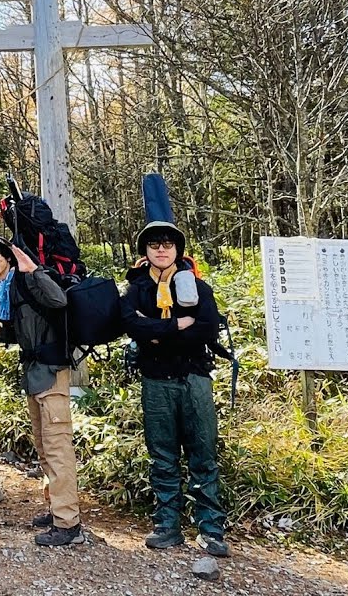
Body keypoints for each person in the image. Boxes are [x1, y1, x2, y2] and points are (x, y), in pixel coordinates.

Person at [119, 218, 229, 557]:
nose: (162, 249)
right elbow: (129, 324)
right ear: (146, 252)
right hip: (155, 382)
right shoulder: (137, 289)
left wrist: (157, 334)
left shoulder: (199, 288)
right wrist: (175, 325)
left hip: (195, 379)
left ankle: (210, 529)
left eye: (168, 243)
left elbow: (208, 329)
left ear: (178, 249)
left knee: (203, 454)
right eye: (155, 244)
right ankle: (167, 524)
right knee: (162, 456)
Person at [0, 234, 85, 547]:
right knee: (44, 445)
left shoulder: (28, 278)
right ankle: (56, 506)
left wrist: (33, 269)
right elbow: (23, 333)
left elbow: (59, 301)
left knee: (58, 446)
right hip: (34, 372)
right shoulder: (8, 290)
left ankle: (68, 523)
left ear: (8, 256)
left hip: (50, 371)